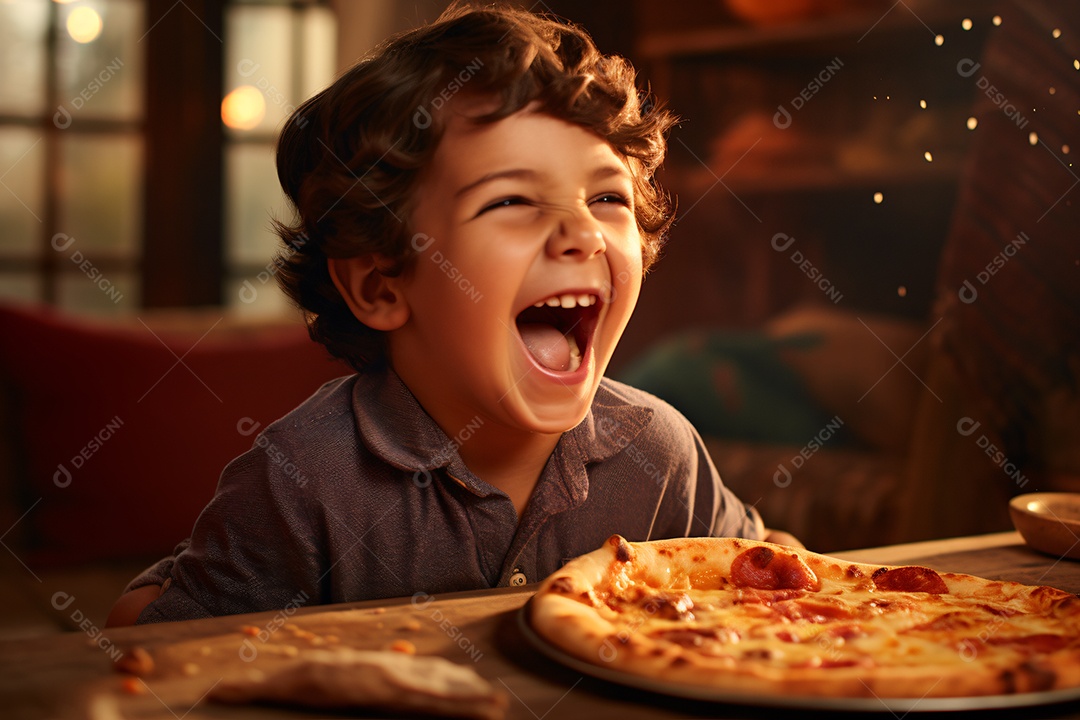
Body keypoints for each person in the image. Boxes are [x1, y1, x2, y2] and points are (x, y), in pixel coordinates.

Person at [108, 2, 798, 626]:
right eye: (511, 202)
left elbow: (772, 578)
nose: (582, 233)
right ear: (381, 285)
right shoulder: (304, 480)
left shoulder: (660, 454)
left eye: (607, 199)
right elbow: (156, 647)